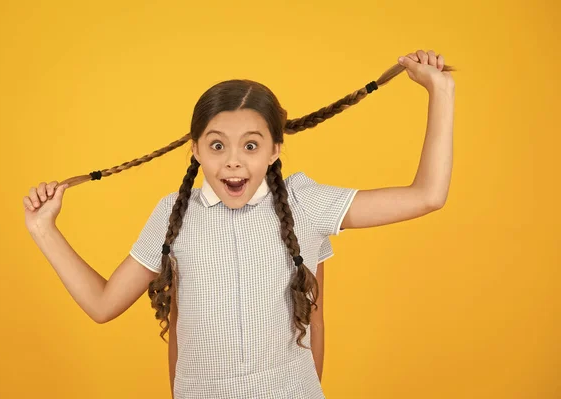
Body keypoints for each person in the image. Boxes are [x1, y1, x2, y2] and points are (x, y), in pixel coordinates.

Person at [23, 49, 455, 398]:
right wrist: (44, 229)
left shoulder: (306, 203)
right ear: (195, 150)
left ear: (274, 150)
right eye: (217, 145)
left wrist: (441, 92)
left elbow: (427, 196)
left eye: (251, 145)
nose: (233, 160)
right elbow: (104, 305)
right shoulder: (173, 214)